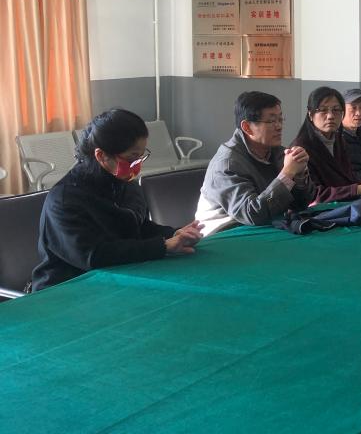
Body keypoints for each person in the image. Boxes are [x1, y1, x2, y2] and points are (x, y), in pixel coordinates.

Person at [32, 109, 203, 291]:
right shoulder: (65, 199)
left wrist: (174, 234)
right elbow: (93, 256)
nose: (137, 165)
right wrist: (163, 246)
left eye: (141, 156)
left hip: (117, 279)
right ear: (101, 156)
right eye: (131, 158)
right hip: (67, 289)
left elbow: (138, 228)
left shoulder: (126, 185)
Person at [196, 91, 315, 235]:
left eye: (280, 119)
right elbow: (252, 214)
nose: (279, 126)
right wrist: (288, 173)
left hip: (264, 229)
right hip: (224, 234)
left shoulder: (277, 152)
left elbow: (300, 204)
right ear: (247, 127)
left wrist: (300, 175)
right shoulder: (227, 163)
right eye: (271, 121)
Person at [290, 86, 361, 203]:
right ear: (310, 114)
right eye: (323, 110)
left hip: (343, 204)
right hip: (319, 211)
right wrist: (358, 189)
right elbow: (314, 195)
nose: (330, 116)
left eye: (336, 110)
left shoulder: (338, 140)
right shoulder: (301, 149)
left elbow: (345, 180)